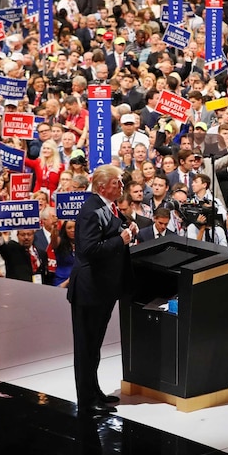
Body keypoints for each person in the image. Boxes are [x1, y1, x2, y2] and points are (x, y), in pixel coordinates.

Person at [68, 165, 138, 415]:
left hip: (103, 289)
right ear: (101, 187)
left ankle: (94, 390)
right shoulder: (91, 211)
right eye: (117, 182)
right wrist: (122, 239)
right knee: (86, 347)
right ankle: (86, 400)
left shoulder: (107, 206)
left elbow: (108, 232)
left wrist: (125, 230)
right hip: (89, 290)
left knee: (94, 345)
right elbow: (88, 250)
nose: (121, 186)